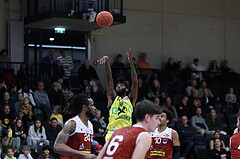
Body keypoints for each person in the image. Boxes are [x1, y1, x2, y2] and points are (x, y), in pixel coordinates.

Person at [97, 100, 162, 159]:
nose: (159, 122)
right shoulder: (144, 136)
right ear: (147, 117)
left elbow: (99, 157)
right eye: (156, 118)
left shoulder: (119, 131)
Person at [97, 49, 138, 141]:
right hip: (112, 133)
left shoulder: (131, 99)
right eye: (117, 86)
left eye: (121, 85)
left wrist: (131, 64)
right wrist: (106, 63)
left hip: (126, 133)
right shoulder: (112, 97)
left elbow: (135, 82)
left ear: (127, 89)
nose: (118, 86)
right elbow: (109, 79)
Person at [54, 93, 97, 159]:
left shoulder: (90, 125)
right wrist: (83, 154)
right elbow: (57, 146)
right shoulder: (72, 123)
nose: (95, 108)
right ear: (84, 107)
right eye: (92, 105)